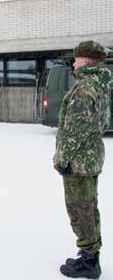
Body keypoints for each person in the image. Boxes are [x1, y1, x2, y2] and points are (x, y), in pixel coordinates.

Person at [53, 40, 112, 279]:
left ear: (86, 60)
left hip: (78, 162)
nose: (73, 62)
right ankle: (90, 254)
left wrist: (61, 158)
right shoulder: (100, 85)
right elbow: (103, 123)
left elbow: (74, 131)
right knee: (89, 208)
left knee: (79, 209)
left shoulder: (85, 89)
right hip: (91, 157)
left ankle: (89, 262)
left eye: (76, 58)